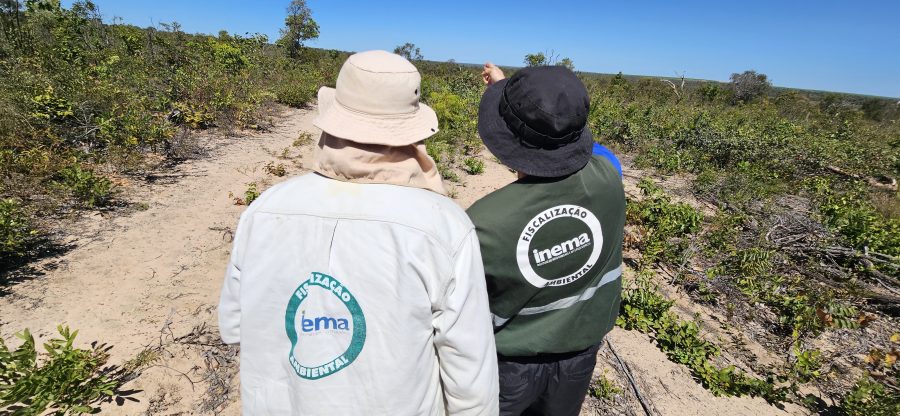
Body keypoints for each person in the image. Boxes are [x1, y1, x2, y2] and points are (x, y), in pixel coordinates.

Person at [218, 50, 499, 416]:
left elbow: (234, 326)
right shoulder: (443, 224)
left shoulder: (265, 208)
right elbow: (468, 364)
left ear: (334, 120)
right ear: (409, 129)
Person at [467, 62, 626, 416]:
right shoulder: (610, 174)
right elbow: (580, 144)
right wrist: (534, 109)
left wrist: (511, 101)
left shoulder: (485, 221)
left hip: (508, 366)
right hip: (580, 357)